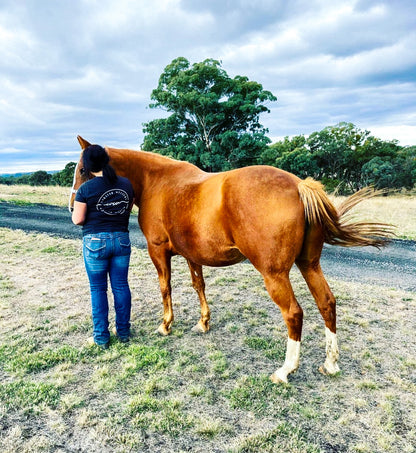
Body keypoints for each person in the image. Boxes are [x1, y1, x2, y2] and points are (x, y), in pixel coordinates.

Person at [72, 144, 135, 349]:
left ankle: (101, 337)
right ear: (106, 161)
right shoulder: (126, 184)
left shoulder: (85, 189)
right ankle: (123, 331)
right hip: (121, 240)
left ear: (88, 166)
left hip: (95, 243)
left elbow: (78, 220)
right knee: (121, 286)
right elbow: (127, 208)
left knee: (98, 289)